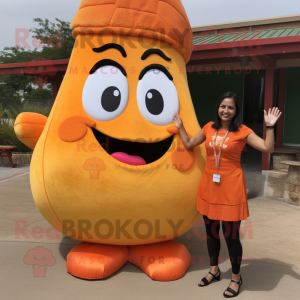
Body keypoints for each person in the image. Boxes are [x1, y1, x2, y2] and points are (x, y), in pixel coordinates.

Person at [173, 91, 281, 298]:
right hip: (209, 186)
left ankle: (236, 277)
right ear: (218, 108)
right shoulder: (208, 127)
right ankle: (214, 269)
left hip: (231, 187)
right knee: (211, 231)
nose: (226, 110)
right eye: (223, 106)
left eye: (230, 107)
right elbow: (188, 144)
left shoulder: (243, 131)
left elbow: (268, 148)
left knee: (231, 237)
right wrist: (180, 128)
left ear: (236, 111)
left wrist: (269, 126)